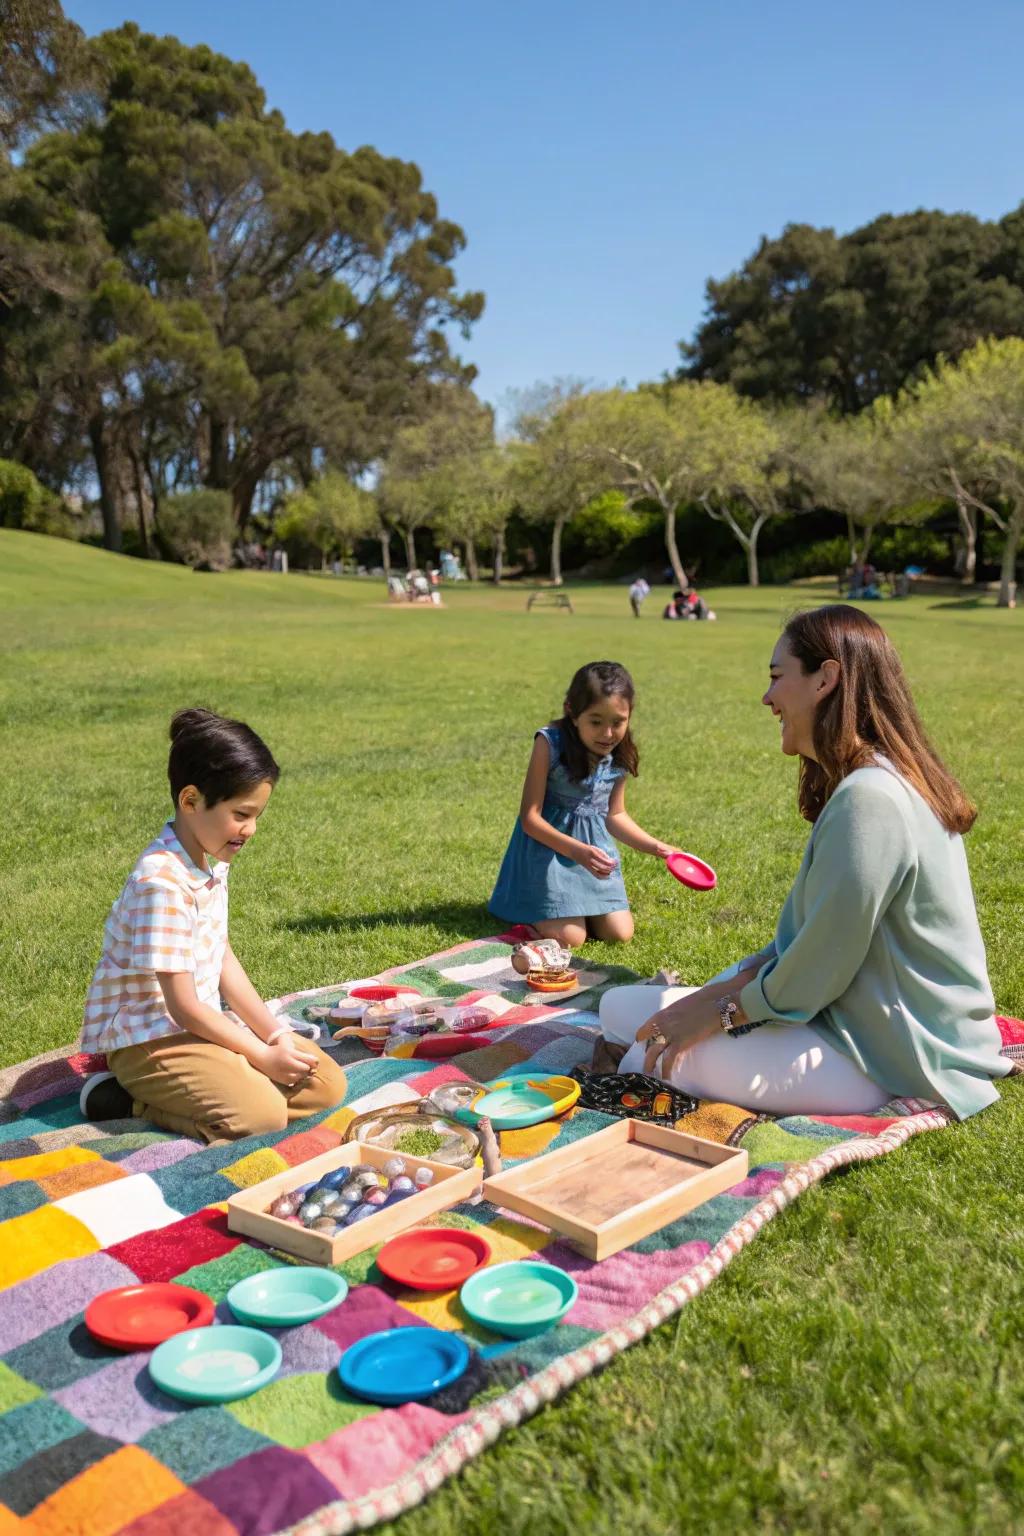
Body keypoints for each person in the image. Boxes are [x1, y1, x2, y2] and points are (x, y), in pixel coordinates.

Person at [599, 605, 1010, 1119]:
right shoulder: (869, 782)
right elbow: (812, 939)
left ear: (826, 680)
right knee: (617, 1009)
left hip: (895, 1050)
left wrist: (721, 1011)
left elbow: (818, 969)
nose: (767, 697)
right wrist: (723, 993)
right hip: (844, 1011)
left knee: (646, 1054)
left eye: (777, 677)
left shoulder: (871, 800)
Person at [78, 709, 348, 1141]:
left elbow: (219, 953)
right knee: (262, 1118)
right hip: (150, 1041)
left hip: (197, 1029)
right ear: (190, 801)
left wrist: (274, 1033)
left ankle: (233, 1083)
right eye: (242, 814)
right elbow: (182, 1006)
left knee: (326, 1085)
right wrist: (260, 1056)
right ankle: (125, 1100)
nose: (251, 829)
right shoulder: (160, 884)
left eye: (257, 815)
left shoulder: (209, 860)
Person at [489, 660, 682, 947]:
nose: (607, 734)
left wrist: (658, 847)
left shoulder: (620, 754)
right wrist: (576, 851)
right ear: (572, 711)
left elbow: (615, 815)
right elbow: (530, 818)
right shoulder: (549, 743)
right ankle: (538, 907)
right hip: (547, 854)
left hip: (594, 856)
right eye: (596, 721)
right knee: (572, 938)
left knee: (620, 934)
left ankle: (575, 906)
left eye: (618, 722)